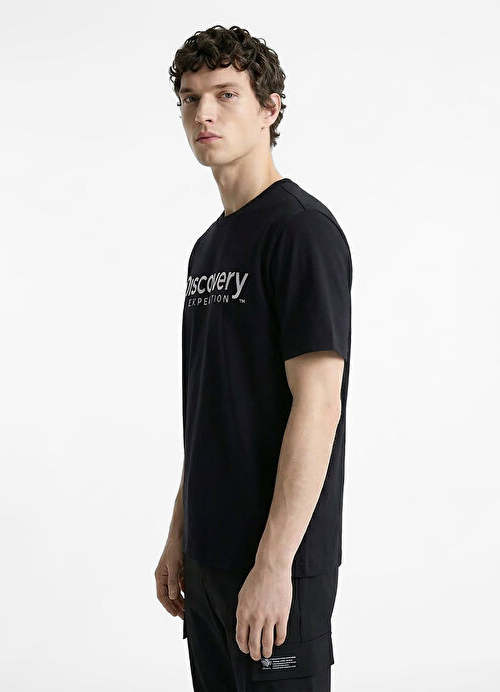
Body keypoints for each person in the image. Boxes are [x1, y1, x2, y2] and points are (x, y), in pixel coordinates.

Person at [155, 24, 353, 691]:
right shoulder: (208, 249)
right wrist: (180, 534)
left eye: (225, 94)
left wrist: (273, 565)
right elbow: (212, 407)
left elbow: (318, 405)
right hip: (209, 560)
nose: (203, 114)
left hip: (276, 565)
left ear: (270, 108)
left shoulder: (300, 232)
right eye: (189, 98)